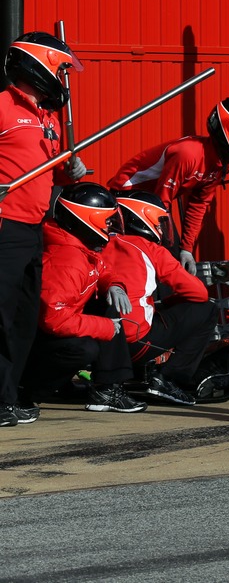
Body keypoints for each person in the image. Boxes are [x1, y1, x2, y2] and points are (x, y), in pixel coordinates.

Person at [0, 32, 88, 427]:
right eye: (61, 69)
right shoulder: (2, 106)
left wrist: (71, 174)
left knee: (22, 318)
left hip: (35, 228)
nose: (64, 78)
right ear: (38, 65)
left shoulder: (49, 118)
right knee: (0, 315)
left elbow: (47, 177)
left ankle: (8, 394)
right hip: (4, 227)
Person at [108, 98, 229, 275]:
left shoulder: (220, 163)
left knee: (172, 258)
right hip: (127, 193)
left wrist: (186, 249)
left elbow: (198, 205)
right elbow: (162, 200)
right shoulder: (188, 154)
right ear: (228, 135)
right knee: (160, 260)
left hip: (153, 203)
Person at [23, 183, 147, 414]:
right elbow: (52, 319)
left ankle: (107, 388)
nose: (111, 226)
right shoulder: (67, 259)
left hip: (44, 333)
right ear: (88, 219)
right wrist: (105, 327)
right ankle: (25, 395)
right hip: (37, 339)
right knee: (84, 349)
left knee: (107, 304)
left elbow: (101, 269)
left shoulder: (76, 244)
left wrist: (113, 285)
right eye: (108, 220)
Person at [100, 190, 217, 406]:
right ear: (144, 218)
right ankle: (169, 378)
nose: (162, 228)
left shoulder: (97, 243)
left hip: (96, 338)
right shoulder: (151, 249)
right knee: (207, 309)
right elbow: (199, 293)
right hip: (134, 342)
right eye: (160, 221)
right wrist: (167, 304)